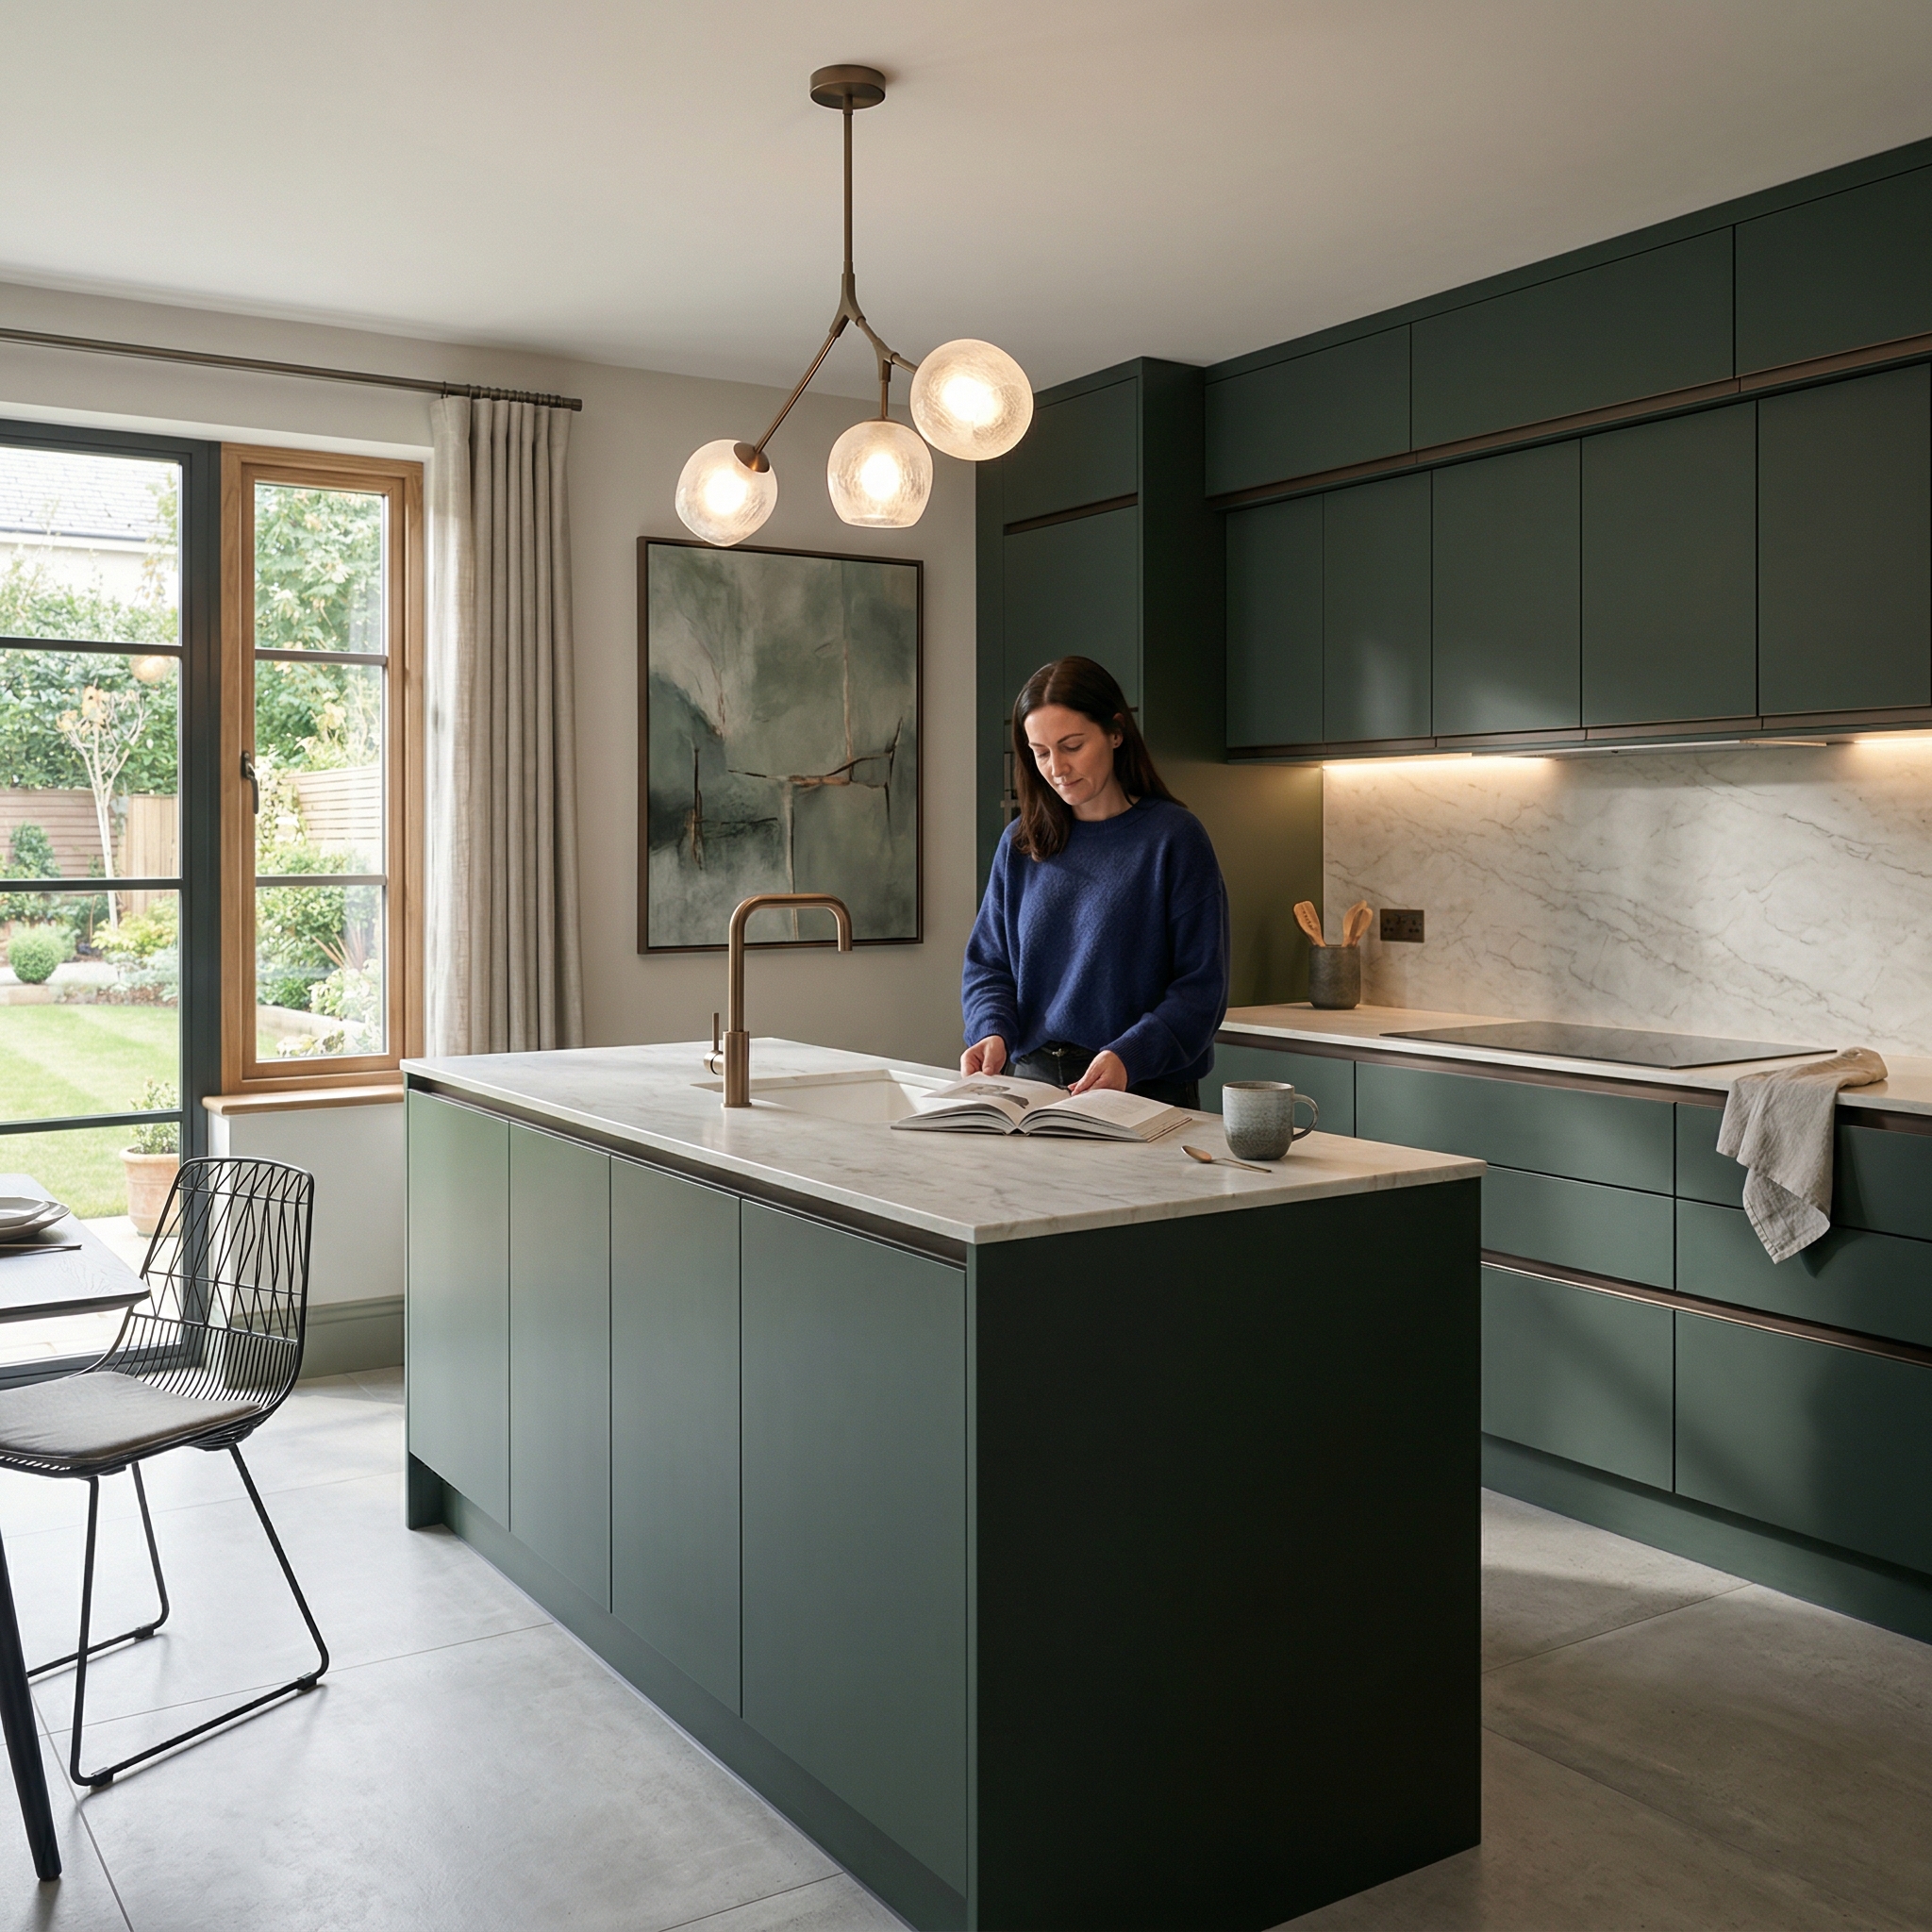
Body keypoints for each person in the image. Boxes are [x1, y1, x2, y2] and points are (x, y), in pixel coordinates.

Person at [960, 656, 1229, 1108]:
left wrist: (1130, 1055)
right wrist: (991, 1029)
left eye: (1072, 746)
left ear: (1116, 732)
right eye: (1041, 752)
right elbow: (989, 964)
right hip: (1031, 1086)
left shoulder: (1173, 838)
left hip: (1143, 1086)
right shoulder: (1021, 843)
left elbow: (1202, 988)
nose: (1057, 768)